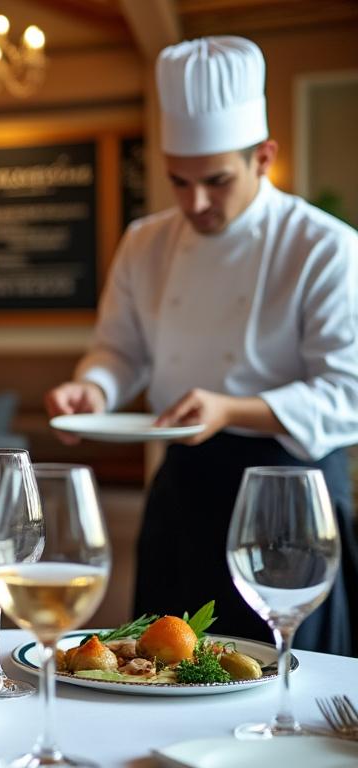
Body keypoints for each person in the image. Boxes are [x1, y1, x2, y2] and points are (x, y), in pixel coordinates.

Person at [45, 36, 358, 655]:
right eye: (178, 182)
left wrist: (230, 409)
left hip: (287, 492)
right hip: (183, 484)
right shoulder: (145, 241)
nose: (195, 203)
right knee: (155, 666)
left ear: (265, 157)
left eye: (215, 181)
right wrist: (95, 386)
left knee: (282, 678)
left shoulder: (323, 246)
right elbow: (120, 348)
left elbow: (346, 393)